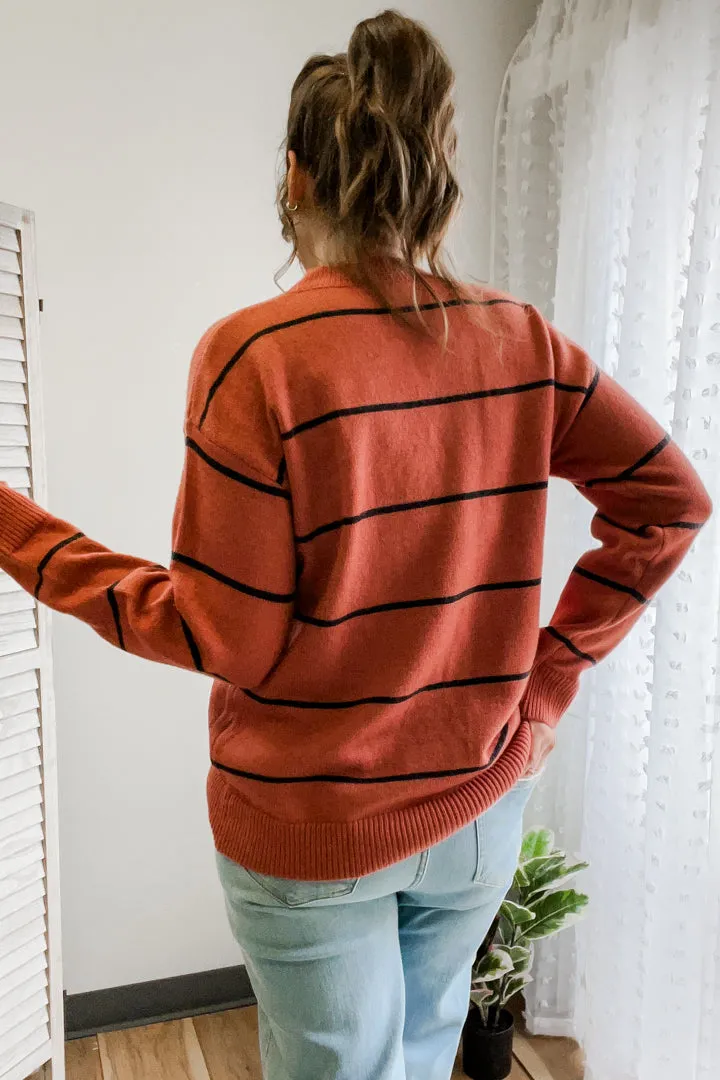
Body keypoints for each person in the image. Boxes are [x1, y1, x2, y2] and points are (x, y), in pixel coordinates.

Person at [0, 10, 710, 1080]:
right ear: (433, 176)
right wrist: (548, 687)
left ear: (294, 177)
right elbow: (671, 500)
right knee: (419, 1061)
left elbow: (227, 636)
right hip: (477, 806)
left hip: (311, 822)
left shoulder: (256, 357)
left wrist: (23, 533)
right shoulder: (519, 339)